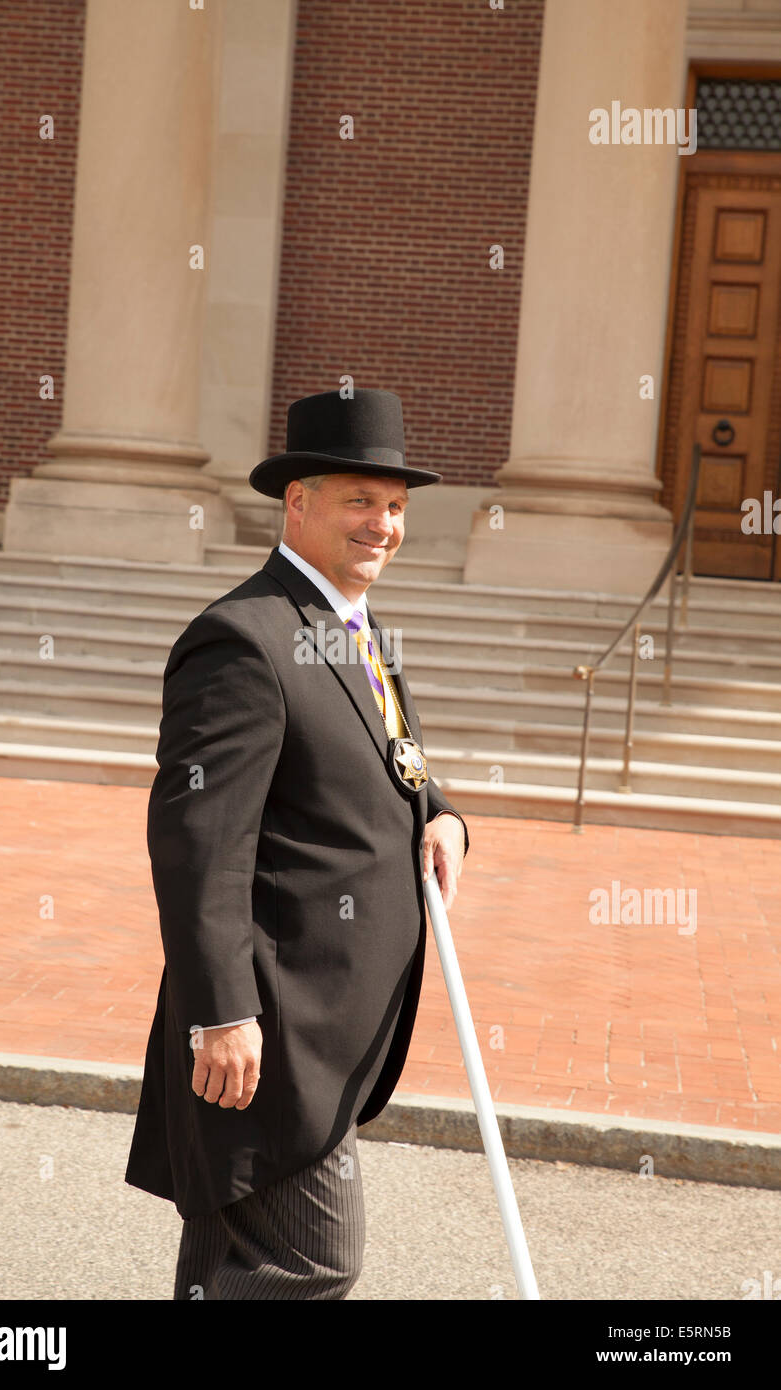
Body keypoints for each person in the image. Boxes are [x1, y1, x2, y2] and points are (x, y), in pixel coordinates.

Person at [125, 387, 469, 1299]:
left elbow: (398, 764)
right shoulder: (246, 640)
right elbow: (200, 845)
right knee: (313, 1263)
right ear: (299, 503)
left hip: (335, 1033)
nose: (383, 525)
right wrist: (222, 1013)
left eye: (395, 506)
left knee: (227, 1270)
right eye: (360, 500)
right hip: (272, 1037)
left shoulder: (362, 634)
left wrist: (445, 814)